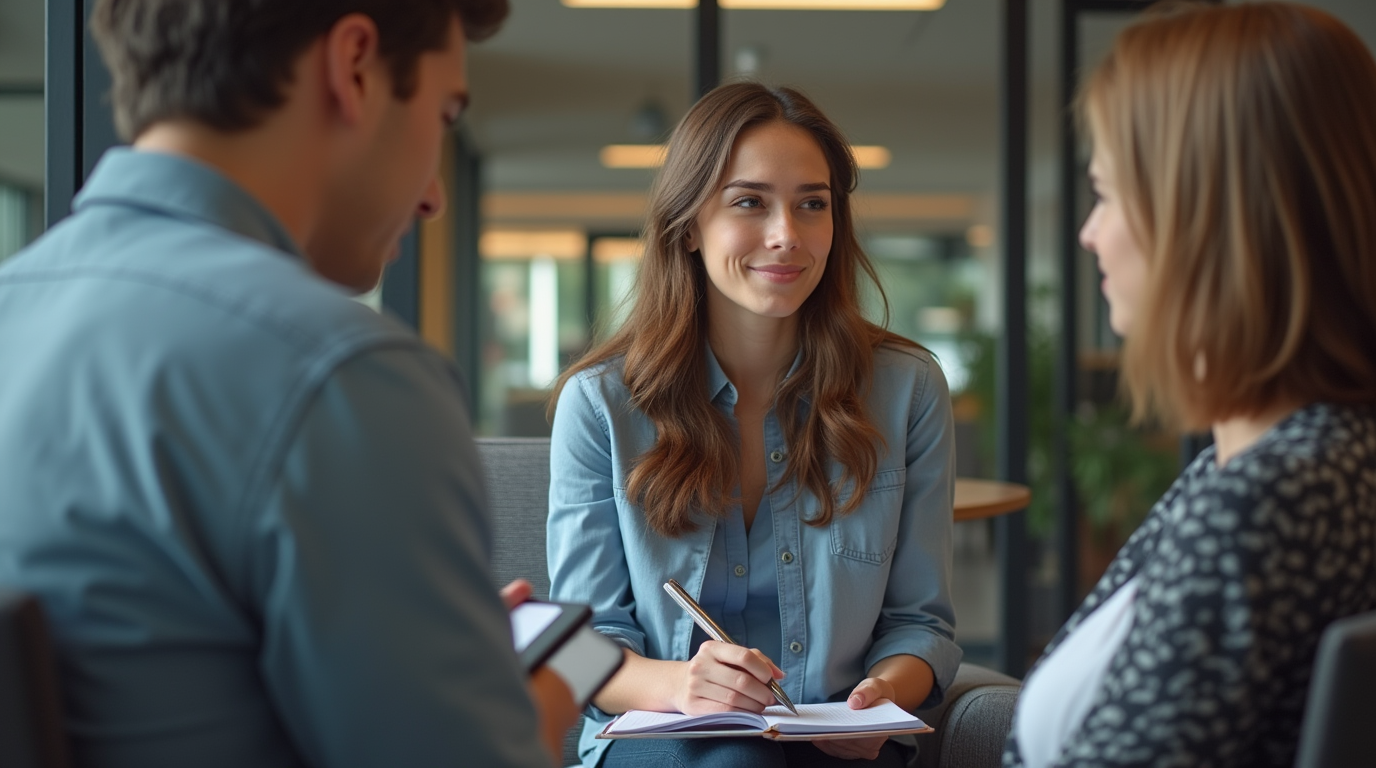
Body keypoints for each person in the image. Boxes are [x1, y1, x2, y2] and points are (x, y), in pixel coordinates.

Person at [0, 1, 578, 766]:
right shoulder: (340, 375)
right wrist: (534, 707)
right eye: (443, 115)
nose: (435, 195)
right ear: (355, 66)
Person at [546, 82, 962, 768]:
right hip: (662, 736)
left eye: (812, 204)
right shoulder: (600, 405)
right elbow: (581, 648)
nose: (786, 235)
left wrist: (881, 695)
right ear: (688, 225)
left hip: (837, 743)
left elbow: (921, 624)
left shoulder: (908, 389)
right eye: (749, 202)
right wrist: (680, 685)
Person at [1003, 3, 1376, 767]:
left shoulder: (1269, 494)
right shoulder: (1303, 457)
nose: (1089, 233)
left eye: (1106, 194)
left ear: (1203, 215)